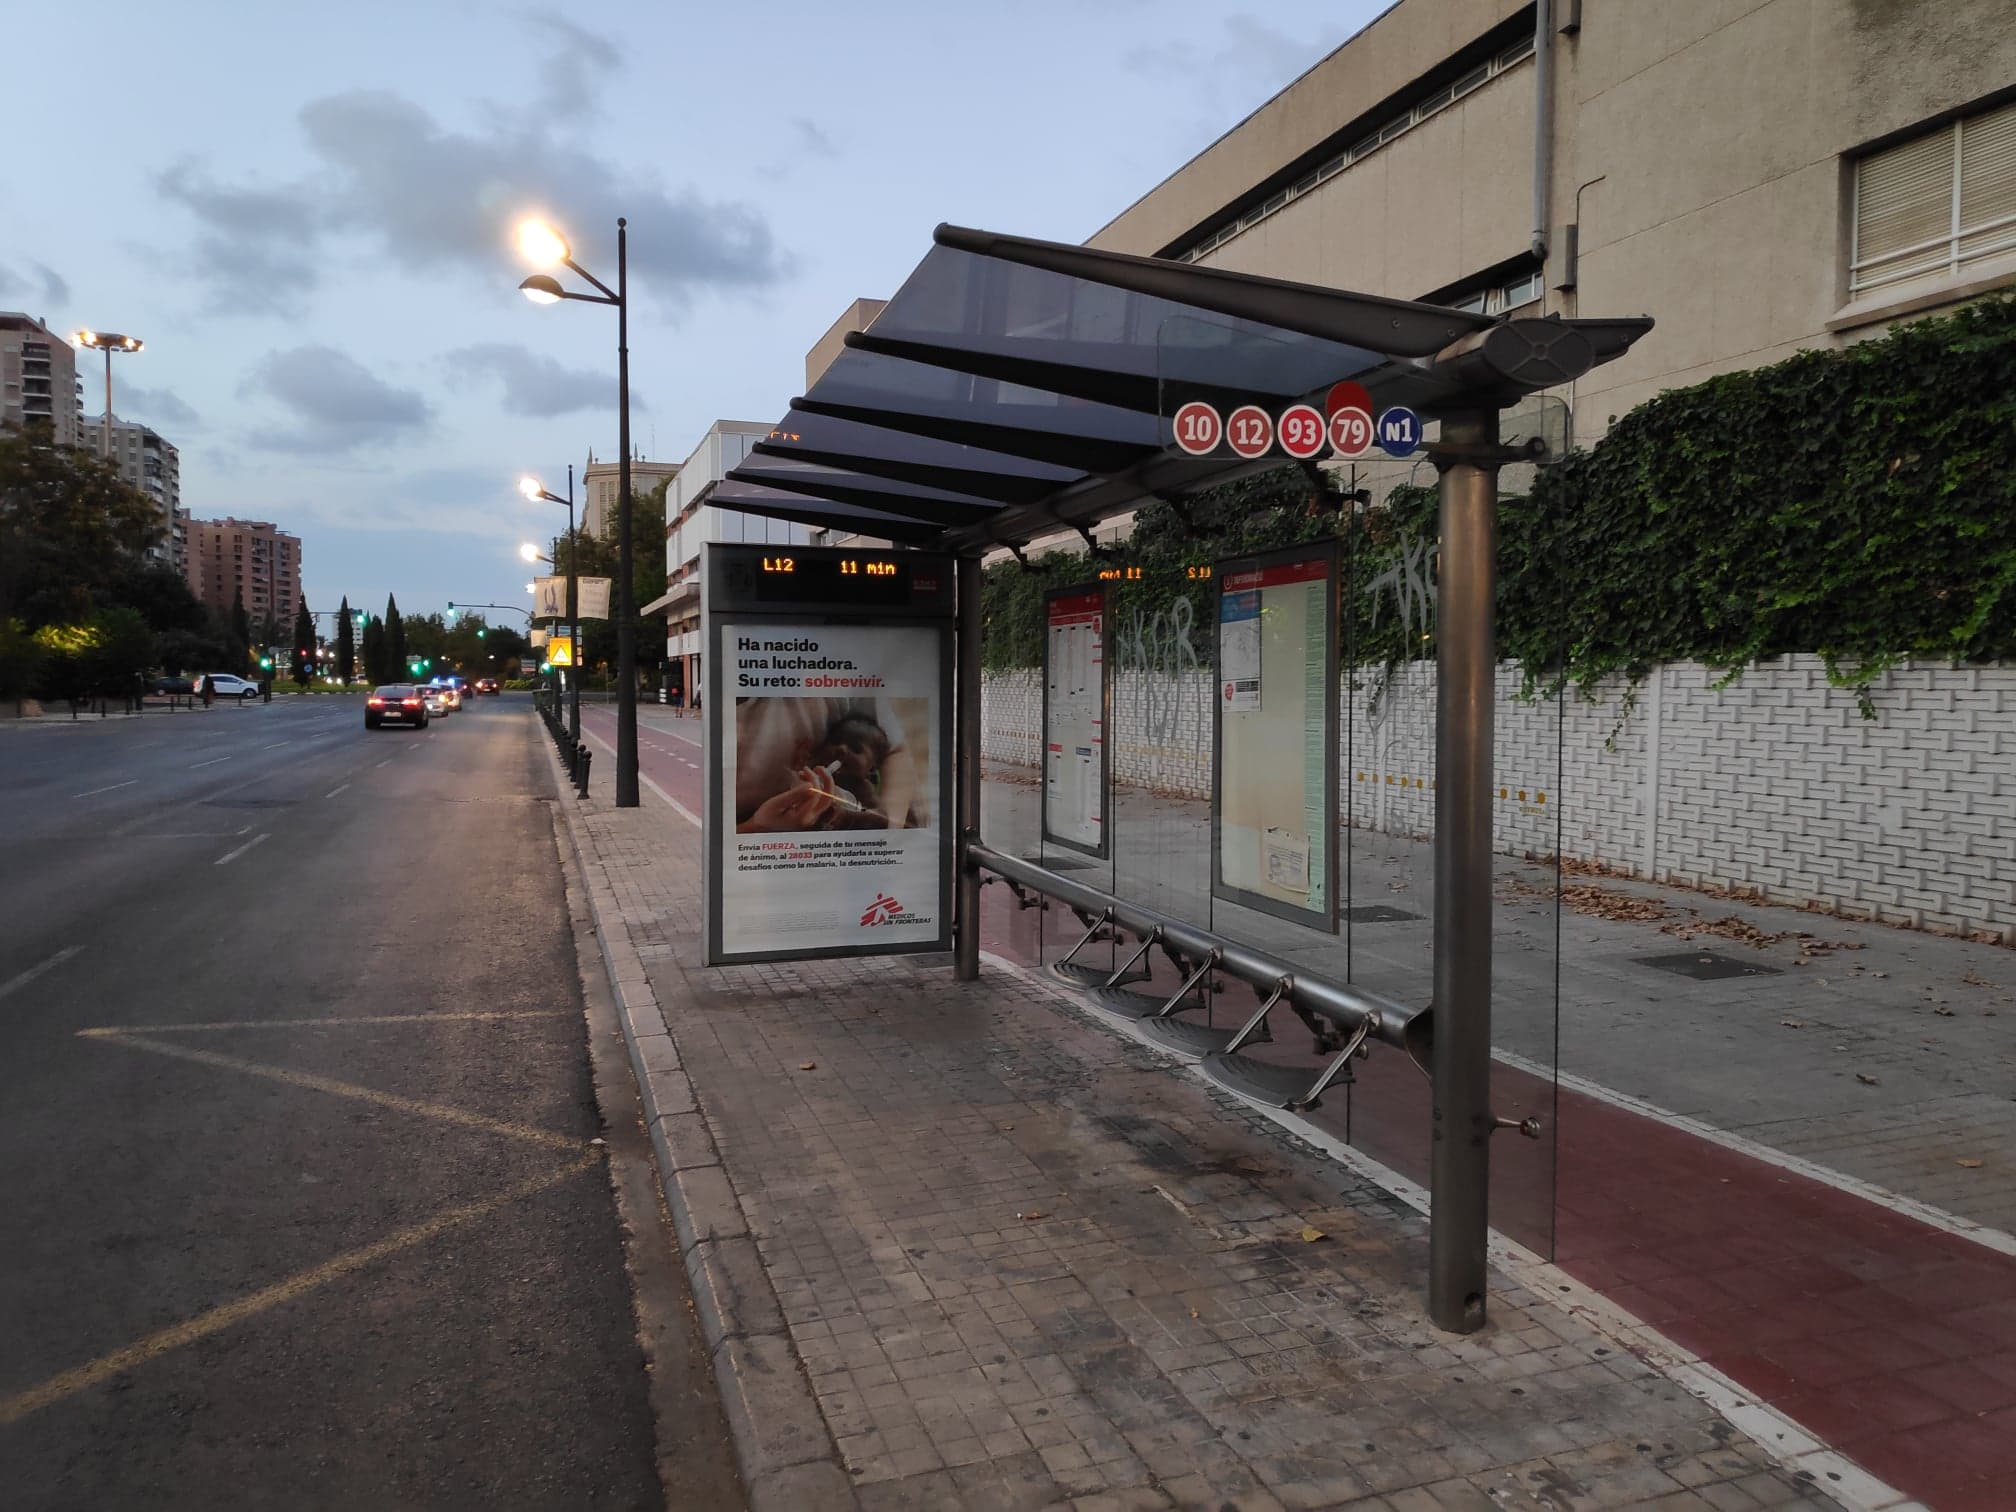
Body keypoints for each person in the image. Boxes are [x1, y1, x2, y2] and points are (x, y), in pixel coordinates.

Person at [734, 696, 919, 834]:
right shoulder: (813, 768)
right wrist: (756, 826)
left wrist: (880, 828)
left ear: (872, 768)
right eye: (835, 741)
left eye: (855, 749)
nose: (842, 750)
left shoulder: (863, 790)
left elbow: (881, 819)